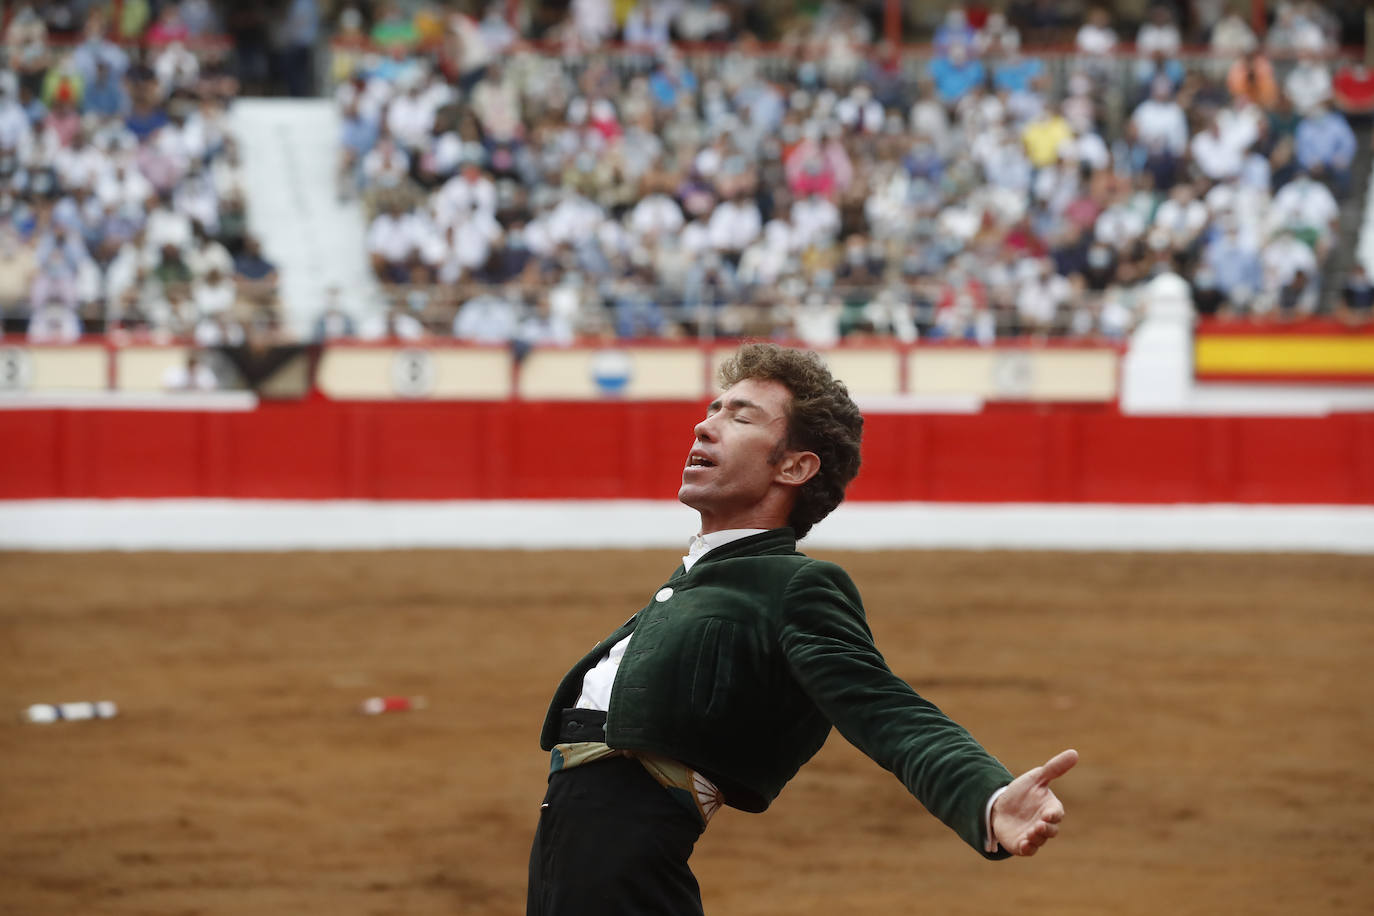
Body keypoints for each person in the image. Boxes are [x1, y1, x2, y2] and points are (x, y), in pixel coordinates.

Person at [527, 343, 1077, 915]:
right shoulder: (704, 577)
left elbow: (887, 709)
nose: (705, 425)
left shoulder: (793, 588)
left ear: (793, 466)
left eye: (740, 417)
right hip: (567, 864)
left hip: (622, 864)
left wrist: (986, 797)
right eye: (713, 409)